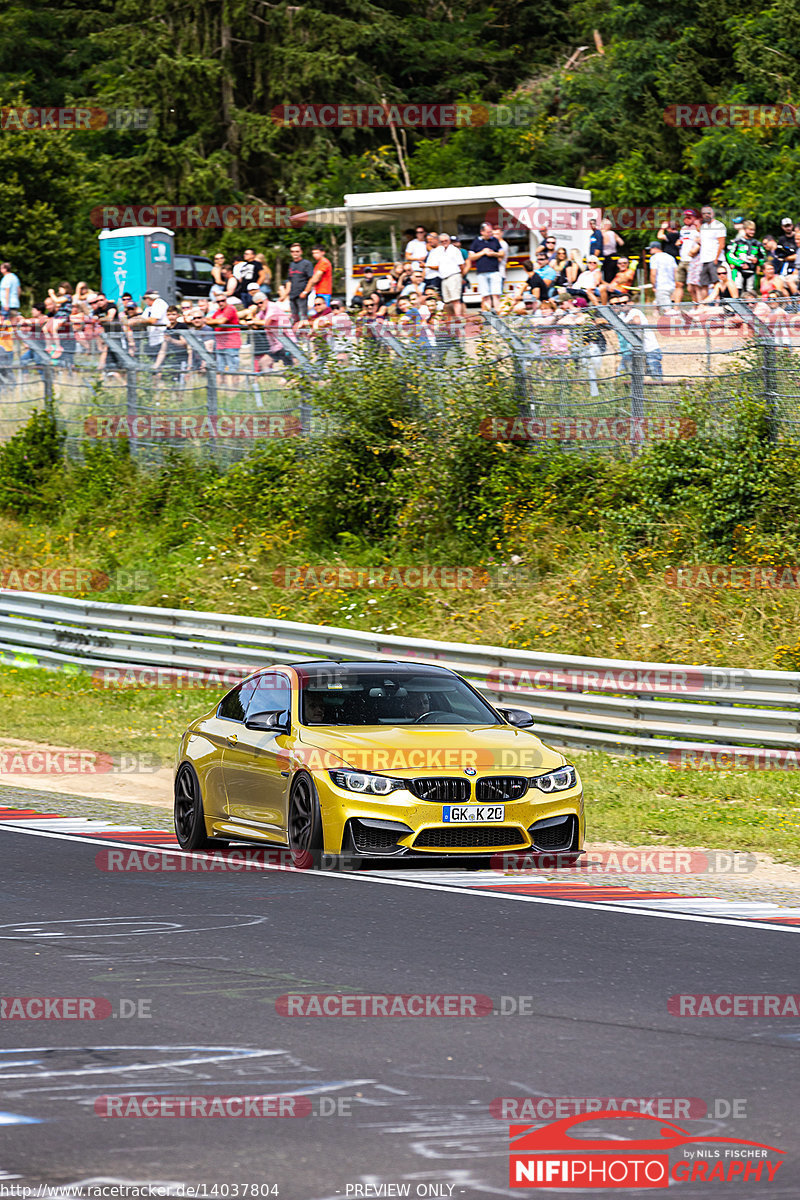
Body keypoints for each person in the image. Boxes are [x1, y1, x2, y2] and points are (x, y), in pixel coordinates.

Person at [610, 292, 663, 379]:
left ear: (631, 303)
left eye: (625, 302)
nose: (622, 305)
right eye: (620, 303)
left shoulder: (634, 311)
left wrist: (623, 324)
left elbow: (637, 321)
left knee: (656, 377)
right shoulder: (622, 316)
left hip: (650, 349)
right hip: (635, 352)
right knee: (623, 375)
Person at [426, 233, 465, 316]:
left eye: (446, 240)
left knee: (456, 300)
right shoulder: (440, 251)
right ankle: (451, 319)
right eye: (442, 241)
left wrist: (461, 277)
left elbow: (461, 265)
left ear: (449, 241)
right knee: (447, 301)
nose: (444, 242)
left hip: (454, 275)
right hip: (444, 277)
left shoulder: (454, 250)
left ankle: (459, 318)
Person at [467, 221, 502, 311]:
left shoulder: (495, 240)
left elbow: (502, 254)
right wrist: (483, 252)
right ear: (482, 232)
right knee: (485, 296)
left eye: (491, 232)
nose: (490, 234)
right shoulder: (476, 242)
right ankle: (489, 317)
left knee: (496, 295)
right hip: (481, 272)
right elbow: (471, 257)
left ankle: (499, 315)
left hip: (494, 271)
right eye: (488, 232)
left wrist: (493, 254)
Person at [697, 205, 727, 300]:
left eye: (708, 213)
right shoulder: (703, 227)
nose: (706, 215)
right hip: (704, 259)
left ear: (712, 214)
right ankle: (704, 306)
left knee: (716, 283)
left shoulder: (719, 226)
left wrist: (716, 258)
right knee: (704, 283)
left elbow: (722, 244)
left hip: (714, 259)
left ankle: (718, 305)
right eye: (704, 213)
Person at [206, 295, 241, 372]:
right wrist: (211, 321)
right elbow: (208, 320)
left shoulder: (230, 308)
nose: (221, 303)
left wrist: (212, 321)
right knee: (220, 370)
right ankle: (222, 384)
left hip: (231, 344)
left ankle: (235, 384)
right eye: (218, 301)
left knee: (233, 369)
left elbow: (221, 321)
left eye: (222, 300)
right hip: (220, 345)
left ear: (226, 300)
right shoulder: (218, 312)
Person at [287, 243, 314, 323]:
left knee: (303, 318)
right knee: (294, 319)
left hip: (302, 295)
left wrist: (305, 292)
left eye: (297, 251)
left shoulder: (306, 263)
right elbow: (289, 280)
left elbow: (311, 279)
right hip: (292, 295)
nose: (295, 253)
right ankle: (295, 334)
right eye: (292, 251)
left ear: (301, 252)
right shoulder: (291, 264)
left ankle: (304, 334)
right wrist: (286, 294)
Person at [648, 240, 676, 310]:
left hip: (661, 286)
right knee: (657, 305)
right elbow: (675, 271)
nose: (649, 251)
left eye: (650, 249)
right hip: (672, 286)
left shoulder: (654, 258)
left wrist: (654, 285)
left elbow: (653, 273)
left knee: (667, 310)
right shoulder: (670, 257)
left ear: (655, 248)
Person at [600, 217, 624, 283]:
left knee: (607, 274)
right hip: (614, 255)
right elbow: (621, 243)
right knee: (613, 273)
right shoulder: (613, 233)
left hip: (605, 256)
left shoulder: (600, 233)